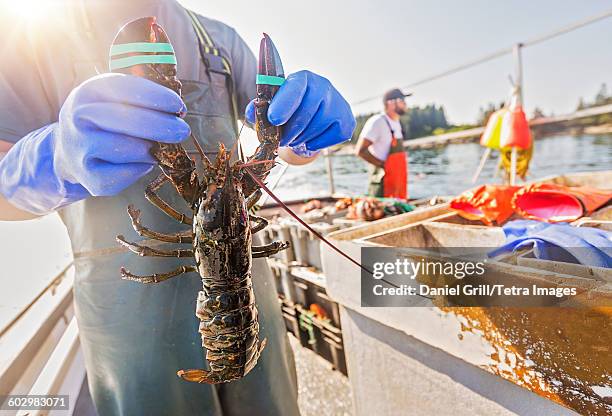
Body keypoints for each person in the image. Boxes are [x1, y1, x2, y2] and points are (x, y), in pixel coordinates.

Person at [0, 1, 355, 415]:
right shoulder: (31, 39)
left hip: (251, 303)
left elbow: (284, 142)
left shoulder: (217, 39)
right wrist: (54, 157)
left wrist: (304, 135)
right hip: (129, 320)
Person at [355, 88, 410, 199]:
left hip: (398, 183)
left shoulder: (396, 123)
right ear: (390, 103)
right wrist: (384, 166)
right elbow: (360, 151)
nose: (405, 103)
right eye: (401, 99)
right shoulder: (378, 122)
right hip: (382, 183)